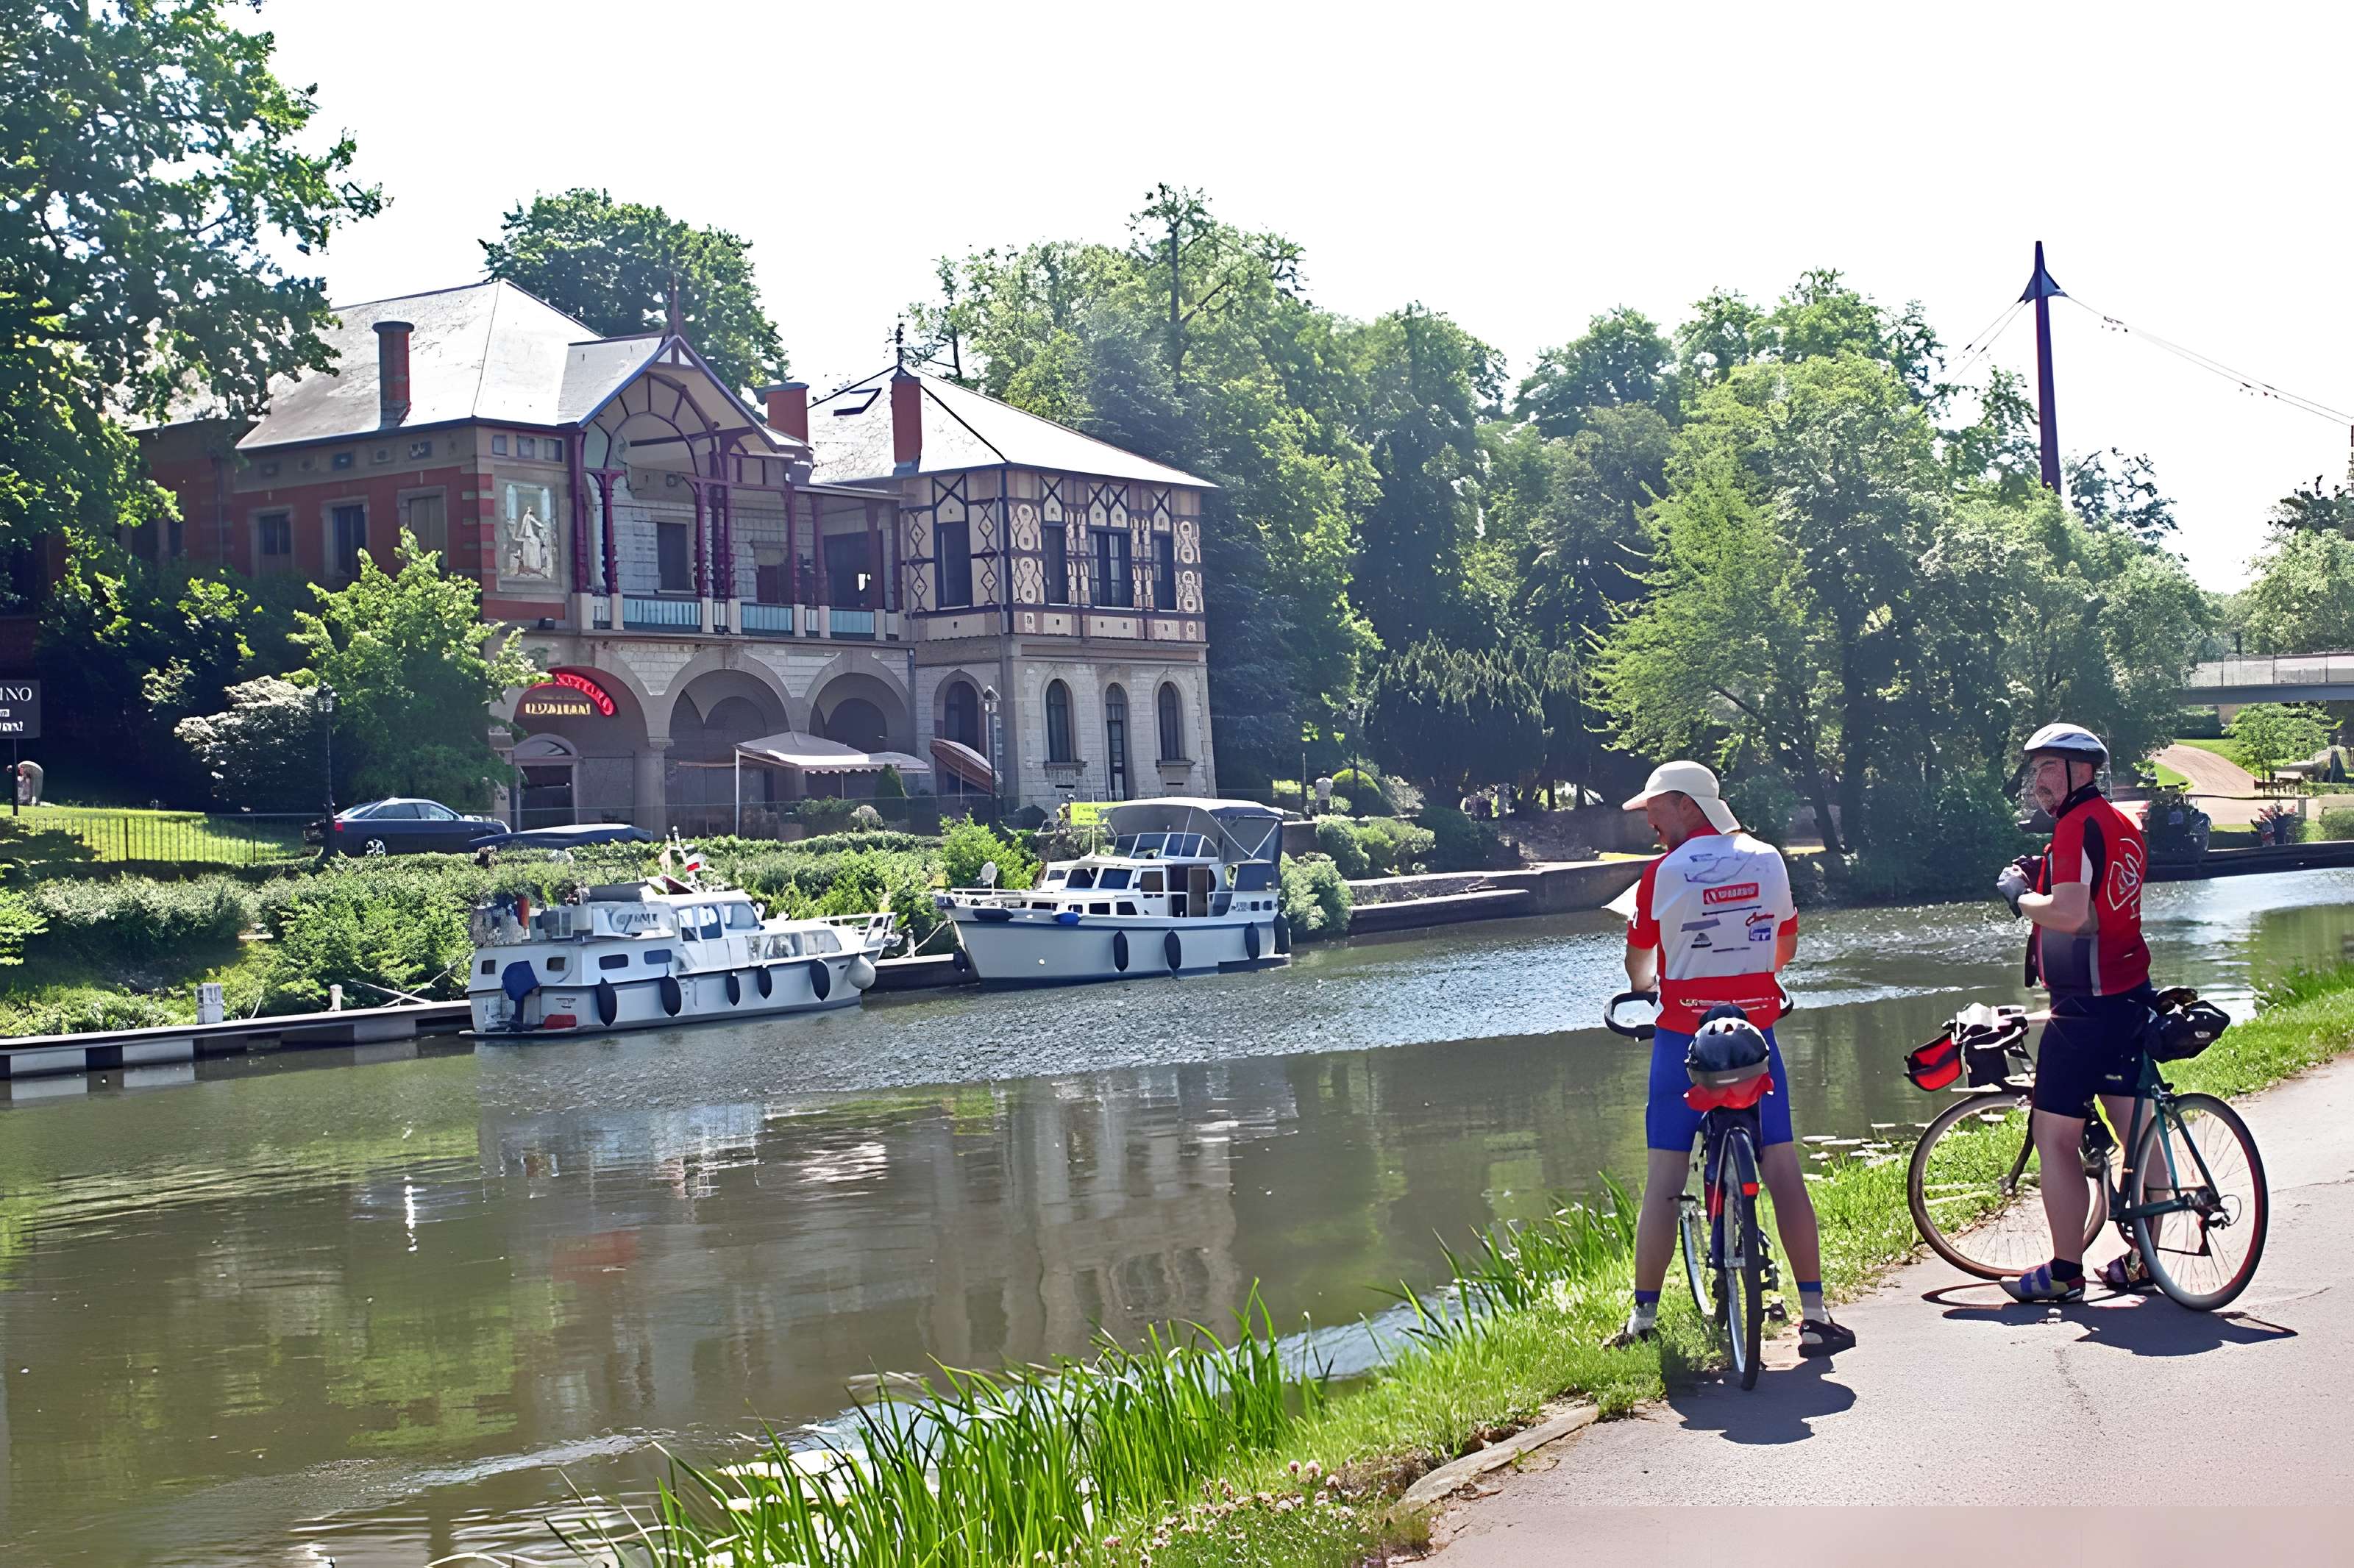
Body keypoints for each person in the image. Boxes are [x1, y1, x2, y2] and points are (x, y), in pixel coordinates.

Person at [1610, 760, 1856, 1355]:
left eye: (1655, 809)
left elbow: (1639, 959)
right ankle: (1816, 1314)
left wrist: (1646, 988)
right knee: (1783, 1167)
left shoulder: (1662, 872)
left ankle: (1644, 1320)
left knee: (1665, 1177)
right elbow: (1785, 946)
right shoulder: (1768, 858)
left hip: (1682, 1039)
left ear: (1687, 804)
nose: (1649, 822)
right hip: (1754, 1037)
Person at [1995, 722, 2158, 1302]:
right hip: (2130, 992)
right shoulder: (2122, 823)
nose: (2038, 780)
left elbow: (2073, 916)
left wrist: (2020, 895)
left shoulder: (2074, 823)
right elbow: (2100, 898)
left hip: (2084, 1005)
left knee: (2054, 1136)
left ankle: (2065, 1272)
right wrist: (2047, 872)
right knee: (2139, 1132)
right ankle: (2146, 1261)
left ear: (2082, 771)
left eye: (2049, 767)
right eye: (2035, 768)